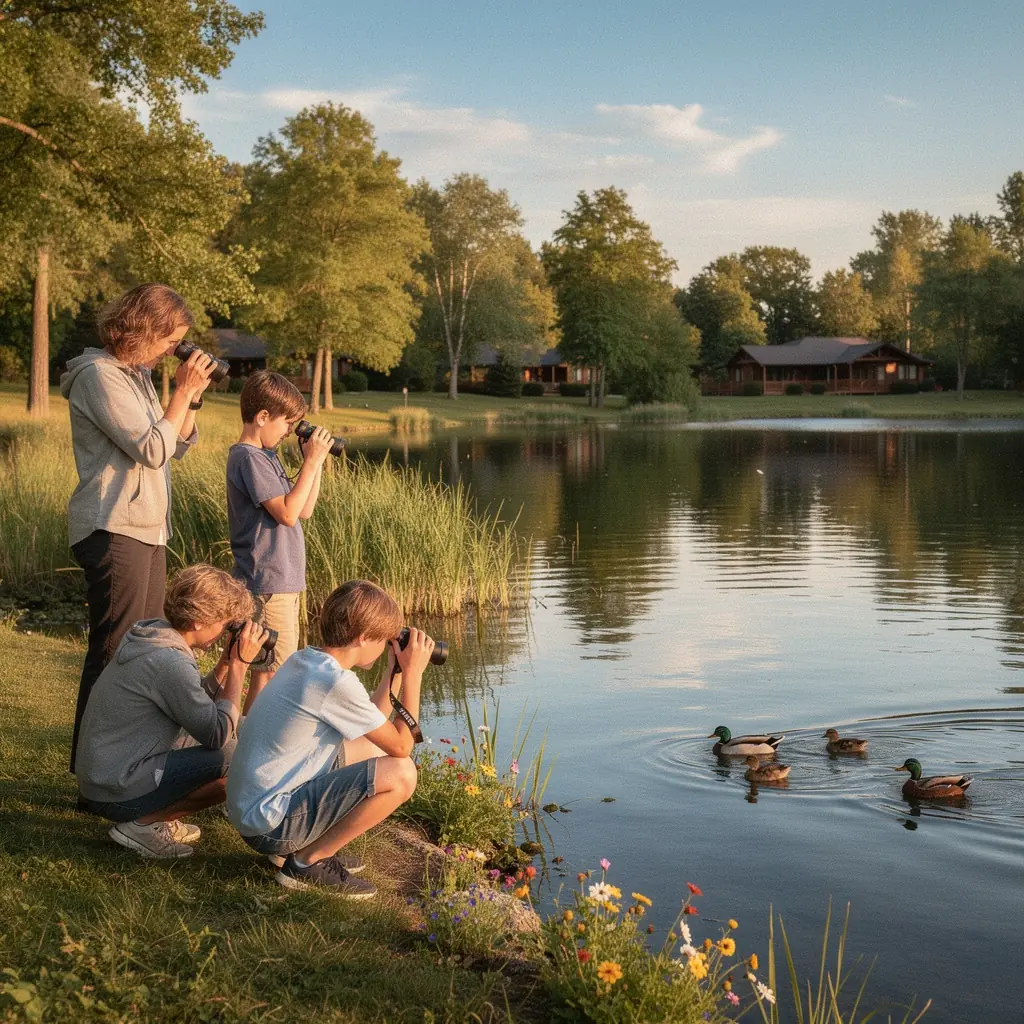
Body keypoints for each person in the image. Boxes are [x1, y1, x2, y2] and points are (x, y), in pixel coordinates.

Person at [61, 284, 216, 771]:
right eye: (171, 338)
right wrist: (184, 390)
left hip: (147, 528)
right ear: (143, 328)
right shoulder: (98, 377)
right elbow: (150, 448)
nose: (175, 349)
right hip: (113, 526)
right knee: (114, 652)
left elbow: (176, 447)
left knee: (143, 650)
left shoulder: (138, 377)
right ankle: (94, 772)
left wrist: (188, 402)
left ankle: (126, 760)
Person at [226, 580, 431, 898]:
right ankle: (308, 862)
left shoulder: (306, 660)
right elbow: (403, 746)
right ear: (363, 637)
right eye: (384, 639)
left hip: (255, 811)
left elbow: (376, 728)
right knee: (403, 774)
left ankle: (305, 845)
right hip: (271, 825)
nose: (386, 646)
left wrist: (396, 672)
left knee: (373, 748)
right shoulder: (333, 682)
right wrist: (415, 674)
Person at [76, 565, 270, 859]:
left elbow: (193, 705)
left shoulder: (154, 635)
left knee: (242, 730)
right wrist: (241, 667)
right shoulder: (169, 661)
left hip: (108, 773)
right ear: (198, 621)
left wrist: (224, 665)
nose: (225, 631)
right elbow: (216, 734)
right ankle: (144, 824)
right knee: (233, 758)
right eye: (224, 623)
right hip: (114, 789)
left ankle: (156, 816)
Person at [226, 371, 333, 714]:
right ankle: (245, 746)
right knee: (272, 674)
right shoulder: (248, 457)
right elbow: (287, 513)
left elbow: (304, 510)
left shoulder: (266, 456)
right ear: (262, 418)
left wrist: (311, 465)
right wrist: (312, 461)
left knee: (268, 672)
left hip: (280, 582)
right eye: (287, 423)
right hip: (267, 583)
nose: (289, 431)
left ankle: (242, 744)